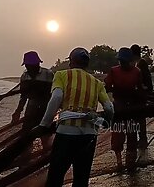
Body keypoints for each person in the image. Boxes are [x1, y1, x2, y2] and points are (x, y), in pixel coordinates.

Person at [40, 47, 114, 187]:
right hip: (89, 135)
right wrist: (107, 122)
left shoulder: (61, 75)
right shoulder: (96, 82)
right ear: (86, 64)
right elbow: (109, 108)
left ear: (72, 61)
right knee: (81, 177)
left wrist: (44, 124)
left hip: (67, 132)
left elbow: (56, 97)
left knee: (56, 176)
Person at [105, 47, 144, 169]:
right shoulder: (113, 71)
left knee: (132, 135)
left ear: (129, 60)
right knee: (117, 136)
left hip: (131, 108)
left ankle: (130, 162)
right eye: (120, 61)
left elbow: (140, 89)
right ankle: (119, 162)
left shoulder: (137, 72)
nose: (122, 63)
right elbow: (107, 87)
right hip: (118, 107)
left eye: (124, 61)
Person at [11, 51, 54, 149]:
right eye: (26, 65)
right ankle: (27, 156)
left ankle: (46, 154)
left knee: (45, 134)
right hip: (31, 108)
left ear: (37, 64)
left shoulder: (48, 74)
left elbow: (54, 93)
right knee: (27, 134)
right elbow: (23, 96)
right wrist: (18, 111)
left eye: (28, 65)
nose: (27, 67)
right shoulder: (25, 76)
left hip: (46, 108)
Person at [130, 44, 153, 149]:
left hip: (140, 95)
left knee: (139, 118)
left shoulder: (140, 64)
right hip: (138, 95)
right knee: (138, 118)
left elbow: (146, 80)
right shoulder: (137, 63)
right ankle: (140, 140)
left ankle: (142, 140)